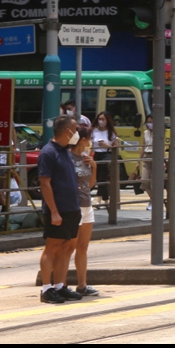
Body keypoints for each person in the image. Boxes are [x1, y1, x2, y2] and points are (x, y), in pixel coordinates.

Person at [37, 115, 83, 304]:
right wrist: (54, 211)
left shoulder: (66, 151)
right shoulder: (48, 152)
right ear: (67, 131)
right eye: (75, 129)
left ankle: (60, 285)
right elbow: (45, 183)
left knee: (66, 247)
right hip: (58, 209)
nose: (77, 133)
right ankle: (46, 288)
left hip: (72, 207)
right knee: (52, 247)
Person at [68, 126, 99, 297]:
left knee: (83, 248)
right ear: (82, 139)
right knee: (69, 247)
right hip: (74, 206)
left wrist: (94, 167)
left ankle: (82, 285)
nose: (91, 141)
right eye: (89, 138)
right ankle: (60, 284)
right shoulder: (68, 157)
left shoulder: (86, 157)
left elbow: (91, 185)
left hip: (87, 205)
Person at [90, 111, 118, 208]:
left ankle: (99, 200)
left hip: (107, 154)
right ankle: (106, 200)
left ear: (107, 120)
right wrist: (88, 155)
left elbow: (116, 147)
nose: (101, 121)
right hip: (97, 154)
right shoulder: (94, 131)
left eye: (103, 119)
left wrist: (106, 145)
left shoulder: (111, 132)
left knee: (102, 177)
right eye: (99, 119)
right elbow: (91, 145)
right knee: (98, 177)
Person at [140, 113, 154, 211]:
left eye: (151, 122)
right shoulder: (145, 133)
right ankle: (153, 199)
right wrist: (138, 161)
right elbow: (143, 147)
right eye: (148, 122)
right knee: (144, 181)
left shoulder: (160, 132)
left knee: (154, 182)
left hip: (155, 157)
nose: (150, 124)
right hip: (146, 156)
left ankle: (153, 201)